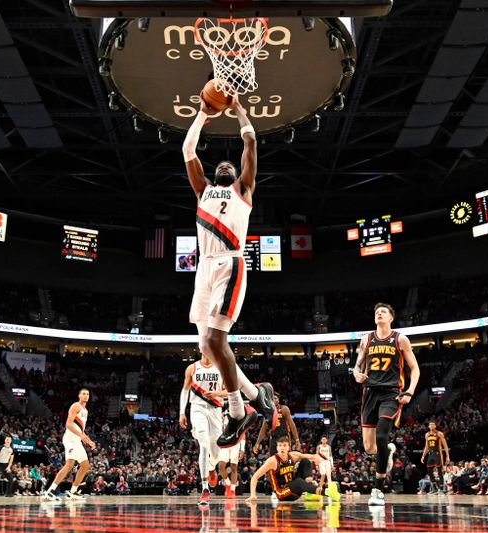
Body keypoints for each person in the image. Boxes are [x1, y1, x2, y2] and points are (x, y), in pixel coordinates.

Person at [183, 95, 276, 446]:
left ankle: (238, 412)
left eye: (229, 164)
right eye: (219, 164)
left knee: (217, 340)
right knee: (205, 346)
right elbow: (188, 151)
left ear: (236, 173)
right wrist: (201, 115)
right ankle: (256, 392)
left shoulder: (244, 189)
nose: (224, 165)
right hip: (203, 268)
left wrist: (236, 107)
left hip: (230, 262)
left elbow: (250, 141)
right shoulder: (202, 190)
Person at [352, 303, 420, 506]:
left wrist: (409, 391)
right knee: (370, 447)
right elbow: (357, 364)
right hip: (370, 393)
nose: (379, 314)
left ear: (391, 317)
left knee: (382, 436)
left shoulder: (400, 339)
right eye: (376, 312)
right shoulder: (367, 339)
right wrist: (356, 374)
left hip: (391, 393)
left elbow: (414, 368)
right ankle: (388, 452)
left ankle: (378, 490)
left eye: (383, 312)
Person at [179, 351, 224, 506]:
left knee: (217, 453)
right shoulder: (192, 368)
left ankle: (211, 467)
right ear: (200, 349)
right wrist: (181, 412)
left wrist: (217, 393)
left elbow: (231, 391)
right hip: (197, 408)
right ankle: (205, 488)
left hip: (216, 410)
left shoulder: (221, 367)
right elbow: (185, 391)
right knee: (204, 446)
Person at [245, 435, 340, 504]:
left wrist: (317, 457)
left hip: (294, 488)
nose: (282, 447)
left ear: (288, 447)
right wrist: (253, 494)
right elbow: (255, 476)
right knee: (298, 481)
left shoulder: (293, 455)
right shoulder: (272, 461)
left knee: (305, 461)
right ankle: (327, 492)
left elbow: (308, 456)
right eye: (280, 445)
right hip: (282, 493)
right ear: (277, 447)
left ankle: (309, 485)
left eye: (284, 445)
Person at [42, 388, 96, 500]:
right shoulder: (76, 406)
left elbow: (80, 428)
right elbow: (68, 425)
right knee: (69, 465)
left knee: (85, 466)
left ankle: (73, 491)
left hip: (77, 440)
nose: (86, 396)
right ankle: (50, 490)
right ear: (79, 396)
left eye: (87, 394)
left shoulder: (85, 411)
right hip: (71, 439)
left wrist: (88, 440)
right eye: (84, 394)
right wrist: (81, 436)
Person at [421, 421, 449, 492]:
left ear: (435, 426)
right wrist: (423, 456)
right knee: (429, 471)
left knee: (440, 471)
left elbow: (445, 445)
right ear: (429, 427)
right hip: (430, 455)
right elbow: (426, 446)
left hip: (438, 454)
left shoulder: (439, 433)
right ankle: (435, 488)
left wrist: (447, 456)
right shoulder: (427, 434)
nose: (432, 426)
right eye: (430, 425)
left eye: (433, 424)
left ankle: (442, 488)